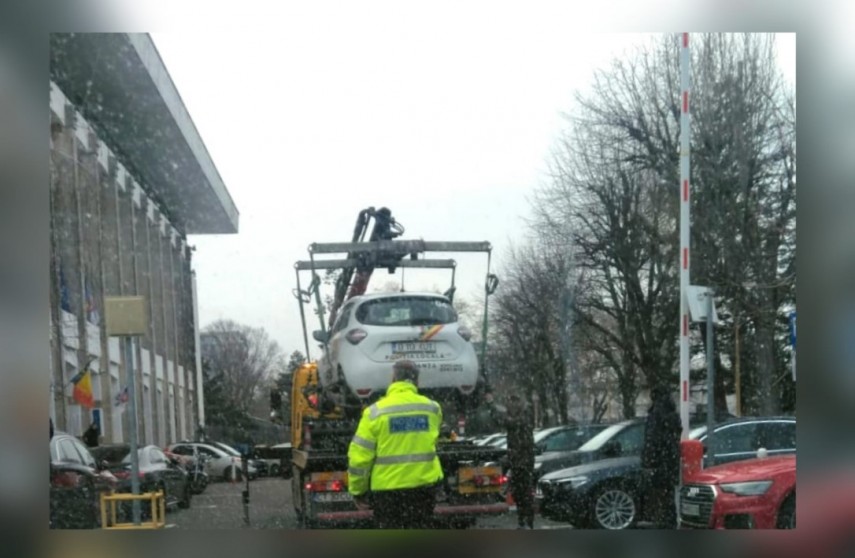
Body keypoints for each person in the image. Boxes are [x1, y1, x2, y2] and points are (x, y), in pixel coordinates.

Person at [347, 359, 444, 529]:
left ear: (393, 379)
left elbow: (360, 458)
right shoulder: (432, 409)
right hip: (423, 491)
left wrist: (358, 490)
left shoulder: (374, 413)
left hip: (387, 493)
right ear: (417, 380)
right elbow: (432, 441)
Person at [488, 392, 536, 529]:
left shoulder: (524, 415)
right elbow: (503, 422)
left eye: (510, 403)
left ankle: (527, 522)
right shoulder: (520, 416)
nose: (509, 407)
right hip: (518, 461)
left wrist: (492, 405)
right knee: (519, 493)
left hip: (523, 462)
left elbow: (507, 422)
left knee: (524, 493)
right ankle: (523, 521)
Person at [641, 384, 682, 529]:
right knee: (668, 496)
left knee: (659, 497)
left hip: (658, 463)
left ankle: (663, 523)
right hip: (669, 461)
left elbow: (652, 441)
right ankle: (669, 522)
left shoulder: (654, 416)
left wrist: (648, 462)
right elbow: (673, 438)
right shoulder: (671, 415)